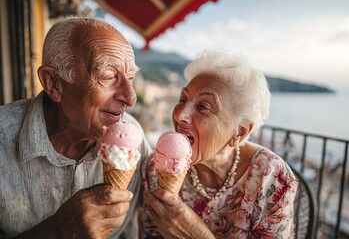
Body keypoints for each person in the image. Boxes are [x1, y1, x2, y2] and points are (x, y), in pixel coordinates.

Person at [0, 17, 152, 239]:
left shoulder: (132, 135)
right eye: (109, 77)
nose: (130, 98)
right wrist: (58, 231)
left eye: (131, 78)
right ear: (53, 83)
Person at [140, 50, 298, 238]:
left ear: (239, 132)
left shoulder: (271, 179)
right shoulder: (156, 167)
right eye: (182, 99)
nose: (179, 115)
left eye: (203, 107)